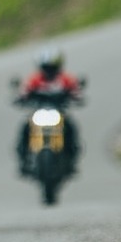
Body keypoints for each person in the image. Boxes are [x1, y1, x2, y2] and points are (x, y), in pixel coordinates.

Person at [15, 47, 83, 176]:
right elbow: (24, 91)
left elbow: (75, 91)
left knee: (71, 128)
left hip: (59, 112)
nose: (49, 71)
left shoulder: (65, 78)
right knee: (25, 128)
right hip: (39, 111)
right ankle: (23, 158)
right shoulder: (35, 79)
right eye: (47, 67)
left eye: (52, 67)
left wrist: (76, 97)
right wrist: (20, 98)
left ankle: (72, 158)